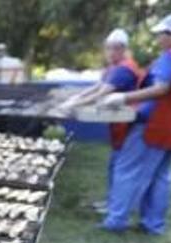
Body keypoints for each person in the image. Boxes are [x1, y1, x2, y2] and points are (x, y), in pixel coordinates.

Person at [99, 13, 171, 235]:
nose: (158, 39)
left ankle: (116, 221)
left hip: (154, 125)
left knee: (127, 170)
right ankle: (153, 224)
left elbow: (161, 88)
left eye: (161, 34)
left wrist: (124, 98)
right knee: (160, 177)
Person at [56, 29, 144, 213]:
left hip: (128, 125)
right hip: (118, 124)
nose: (109, 52)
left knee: (121, 168)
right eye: (108, 48)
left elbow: (101, 94)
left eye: (114, 49)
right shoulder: (113, 67)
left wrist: (72, 104)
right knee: (115, 166)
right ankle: (113, 202)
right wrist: (76, 96)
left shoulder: (124, 69)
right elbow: (97, 87)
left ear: (123, 49)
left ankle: (119, 207)